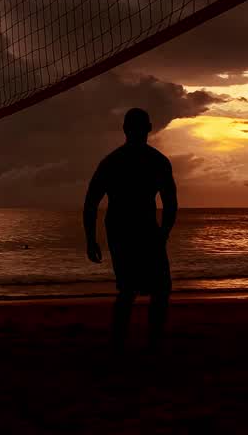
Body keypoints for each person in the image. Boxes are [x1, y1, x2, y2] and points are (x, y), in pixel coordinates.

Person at [83, 108, 177, 351]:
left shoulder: (114, 161)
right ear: (149, 128)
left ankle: (126, 343)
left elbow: (91, 203)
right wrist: (164, 232)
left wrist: (91, 239)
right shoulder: (155, 161)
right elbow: (170, 204)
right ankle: (144, 343)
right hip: (134, 229)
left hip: (126, 229)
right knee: (151, 289)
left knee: (133, 289)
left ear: (125, 129)